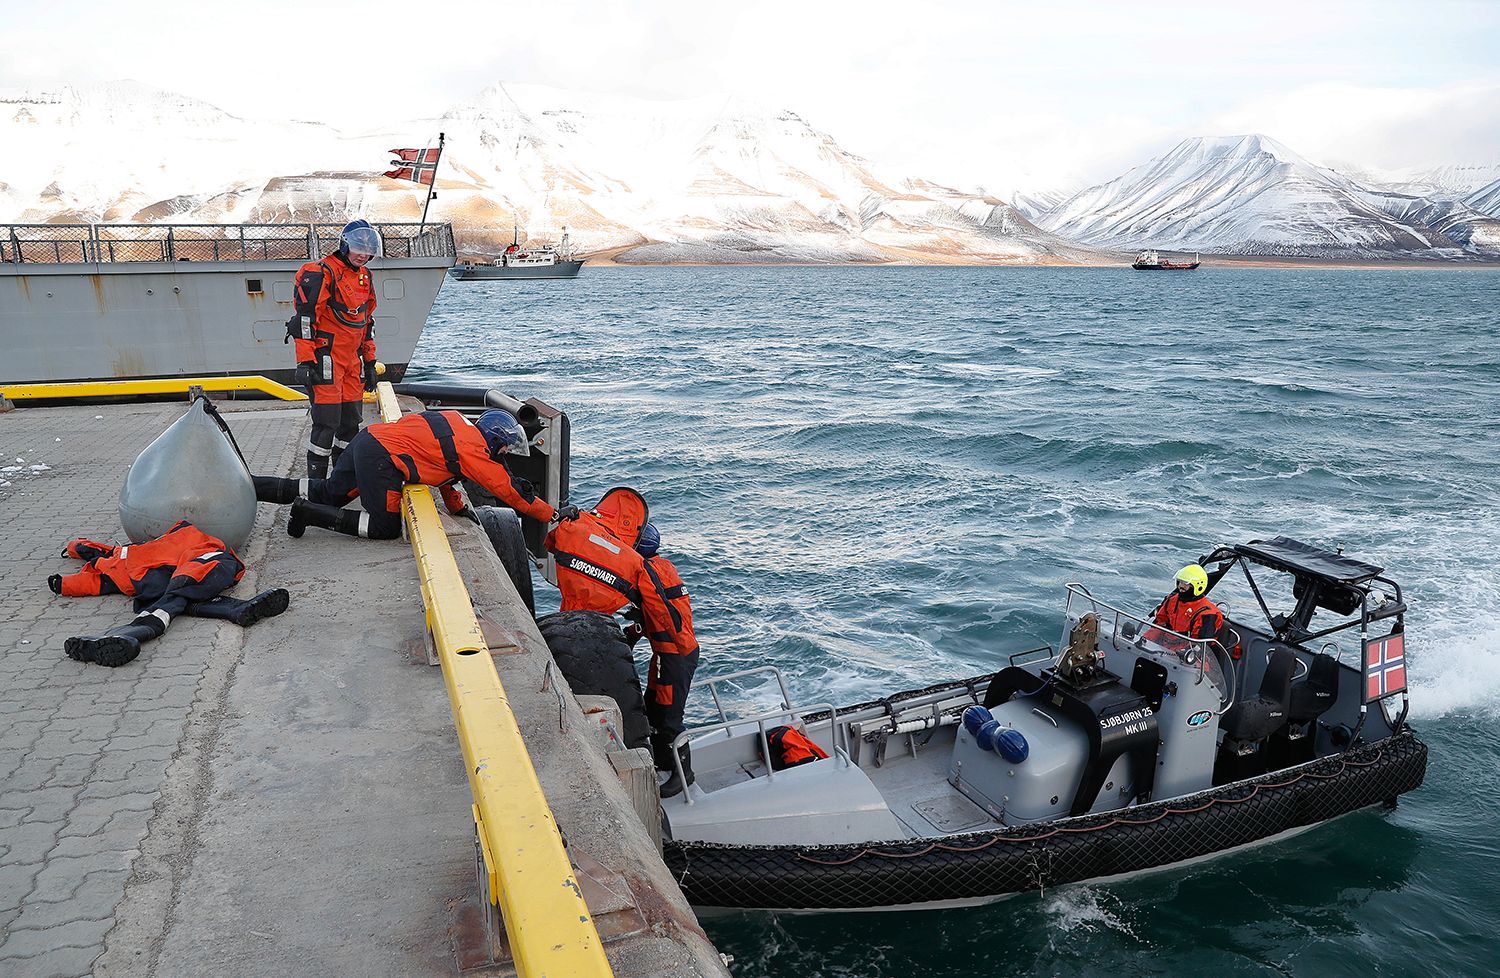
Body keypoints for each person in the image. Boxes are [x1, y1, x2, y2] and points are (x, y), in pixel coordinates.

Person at [252, 408, 573, 540]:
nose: (505, 454)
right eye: (504, 447)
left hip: (369, 439)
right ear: (494, 440)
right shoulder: (474, 452)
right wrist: (553, 514)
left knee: (329, 491)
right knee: (385, 527)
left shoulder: (460, 424)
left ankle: (250, 485)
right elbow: (511, 494)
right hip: (382, 460)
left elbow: (447, 470)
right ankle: (307, 513)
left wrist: (457, 506)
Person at [48, 520, 289, 667]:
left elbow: (92, 571)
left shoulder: (117, 560)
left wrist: (64, 583)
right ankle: (236, 609)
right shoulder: (119, 559)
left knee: (182, 593)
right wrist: (65, 582)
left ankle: (236, 610)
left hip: (173, 573)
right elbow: (90, 567)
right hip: (195, 565)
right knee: (185, 589)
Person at [287, 219, 381, 478]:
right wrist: (305, 362)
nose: (364, 254)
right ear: (345, 245)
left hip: (351, 363)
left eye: (368, 249)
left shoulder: (365, 277)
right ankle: (317, 484)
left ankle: (342, 479)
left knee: (351, 423)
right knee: (326, 424)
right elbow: (305, 321)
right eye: (359, 248)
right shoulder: (321, 272)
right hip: (325, 360)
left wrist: (370, 362)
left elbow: (366, 322)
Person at [627, 522, 701, 798]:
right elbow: (657, 612)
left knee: (670, 717)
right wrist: (637, 630)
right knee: (653, 708)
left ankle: (684, 775)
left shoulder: (648, 574)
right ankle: (663, 760)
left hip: (675, 656)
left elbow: (664, 614)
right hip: (669, 654)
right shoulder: (663, 568)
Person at [543, 487, 649, 614]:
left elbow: (549, 544)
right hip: (601, 622)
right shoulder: (636, 563)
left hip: (567, 612)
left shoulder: (573, 528)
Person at [1149, 563, 1225, 647]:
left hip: (1190, 656)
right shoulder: (1171, 600)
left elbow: (1200, 646)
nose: (1180, 586)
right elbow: (1158, 625)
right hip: (1165, 648)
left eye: (1186, 583)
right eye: (1180, 582)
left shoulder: (1207, 614)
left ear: (1198, 586)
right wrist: (1145, 641)